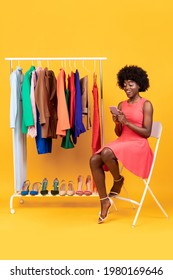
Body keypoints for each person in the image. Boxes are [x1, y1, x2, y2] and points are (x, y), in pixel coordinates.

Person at [90, 65, 154, 224]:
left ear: (139, 84)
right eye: (125, 84)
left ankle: (118, 181)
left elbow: (147, 133)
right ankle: (104, 200)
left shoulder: (146, 104)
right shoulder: (121, 105)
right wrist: (118, 123)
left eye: (131, 84)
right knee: (94, 160)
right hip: (123, 141)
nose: (127, 88)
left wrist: (127, 122)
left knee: (106, 153)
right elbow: (119, 133)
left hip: (139, 144)